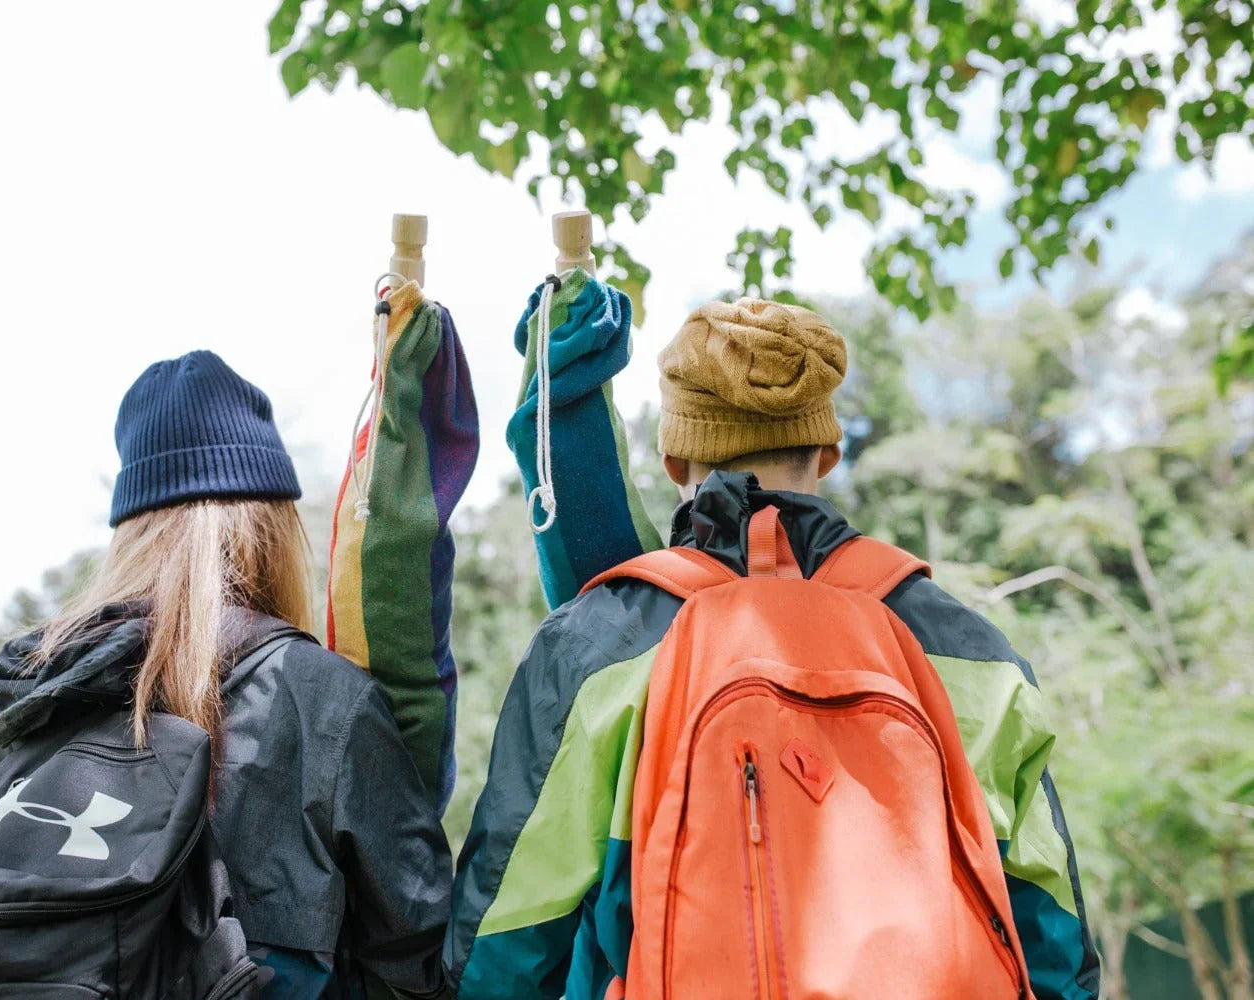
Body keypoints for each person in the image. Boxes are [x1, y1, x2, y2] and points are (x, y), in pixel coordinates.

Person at [449, 297, 1099, 999]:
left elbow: (505, 944)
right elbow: (1053, 938)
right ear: (828, 453)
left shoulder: (596, 646)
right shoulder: (973, 653)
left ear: (673, 459)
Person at [0, 351, 451, 1000]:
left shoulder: (12, 704)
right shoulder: (323, 701)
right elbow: (415, 963)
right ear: (273, 531)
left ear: (128, 533)